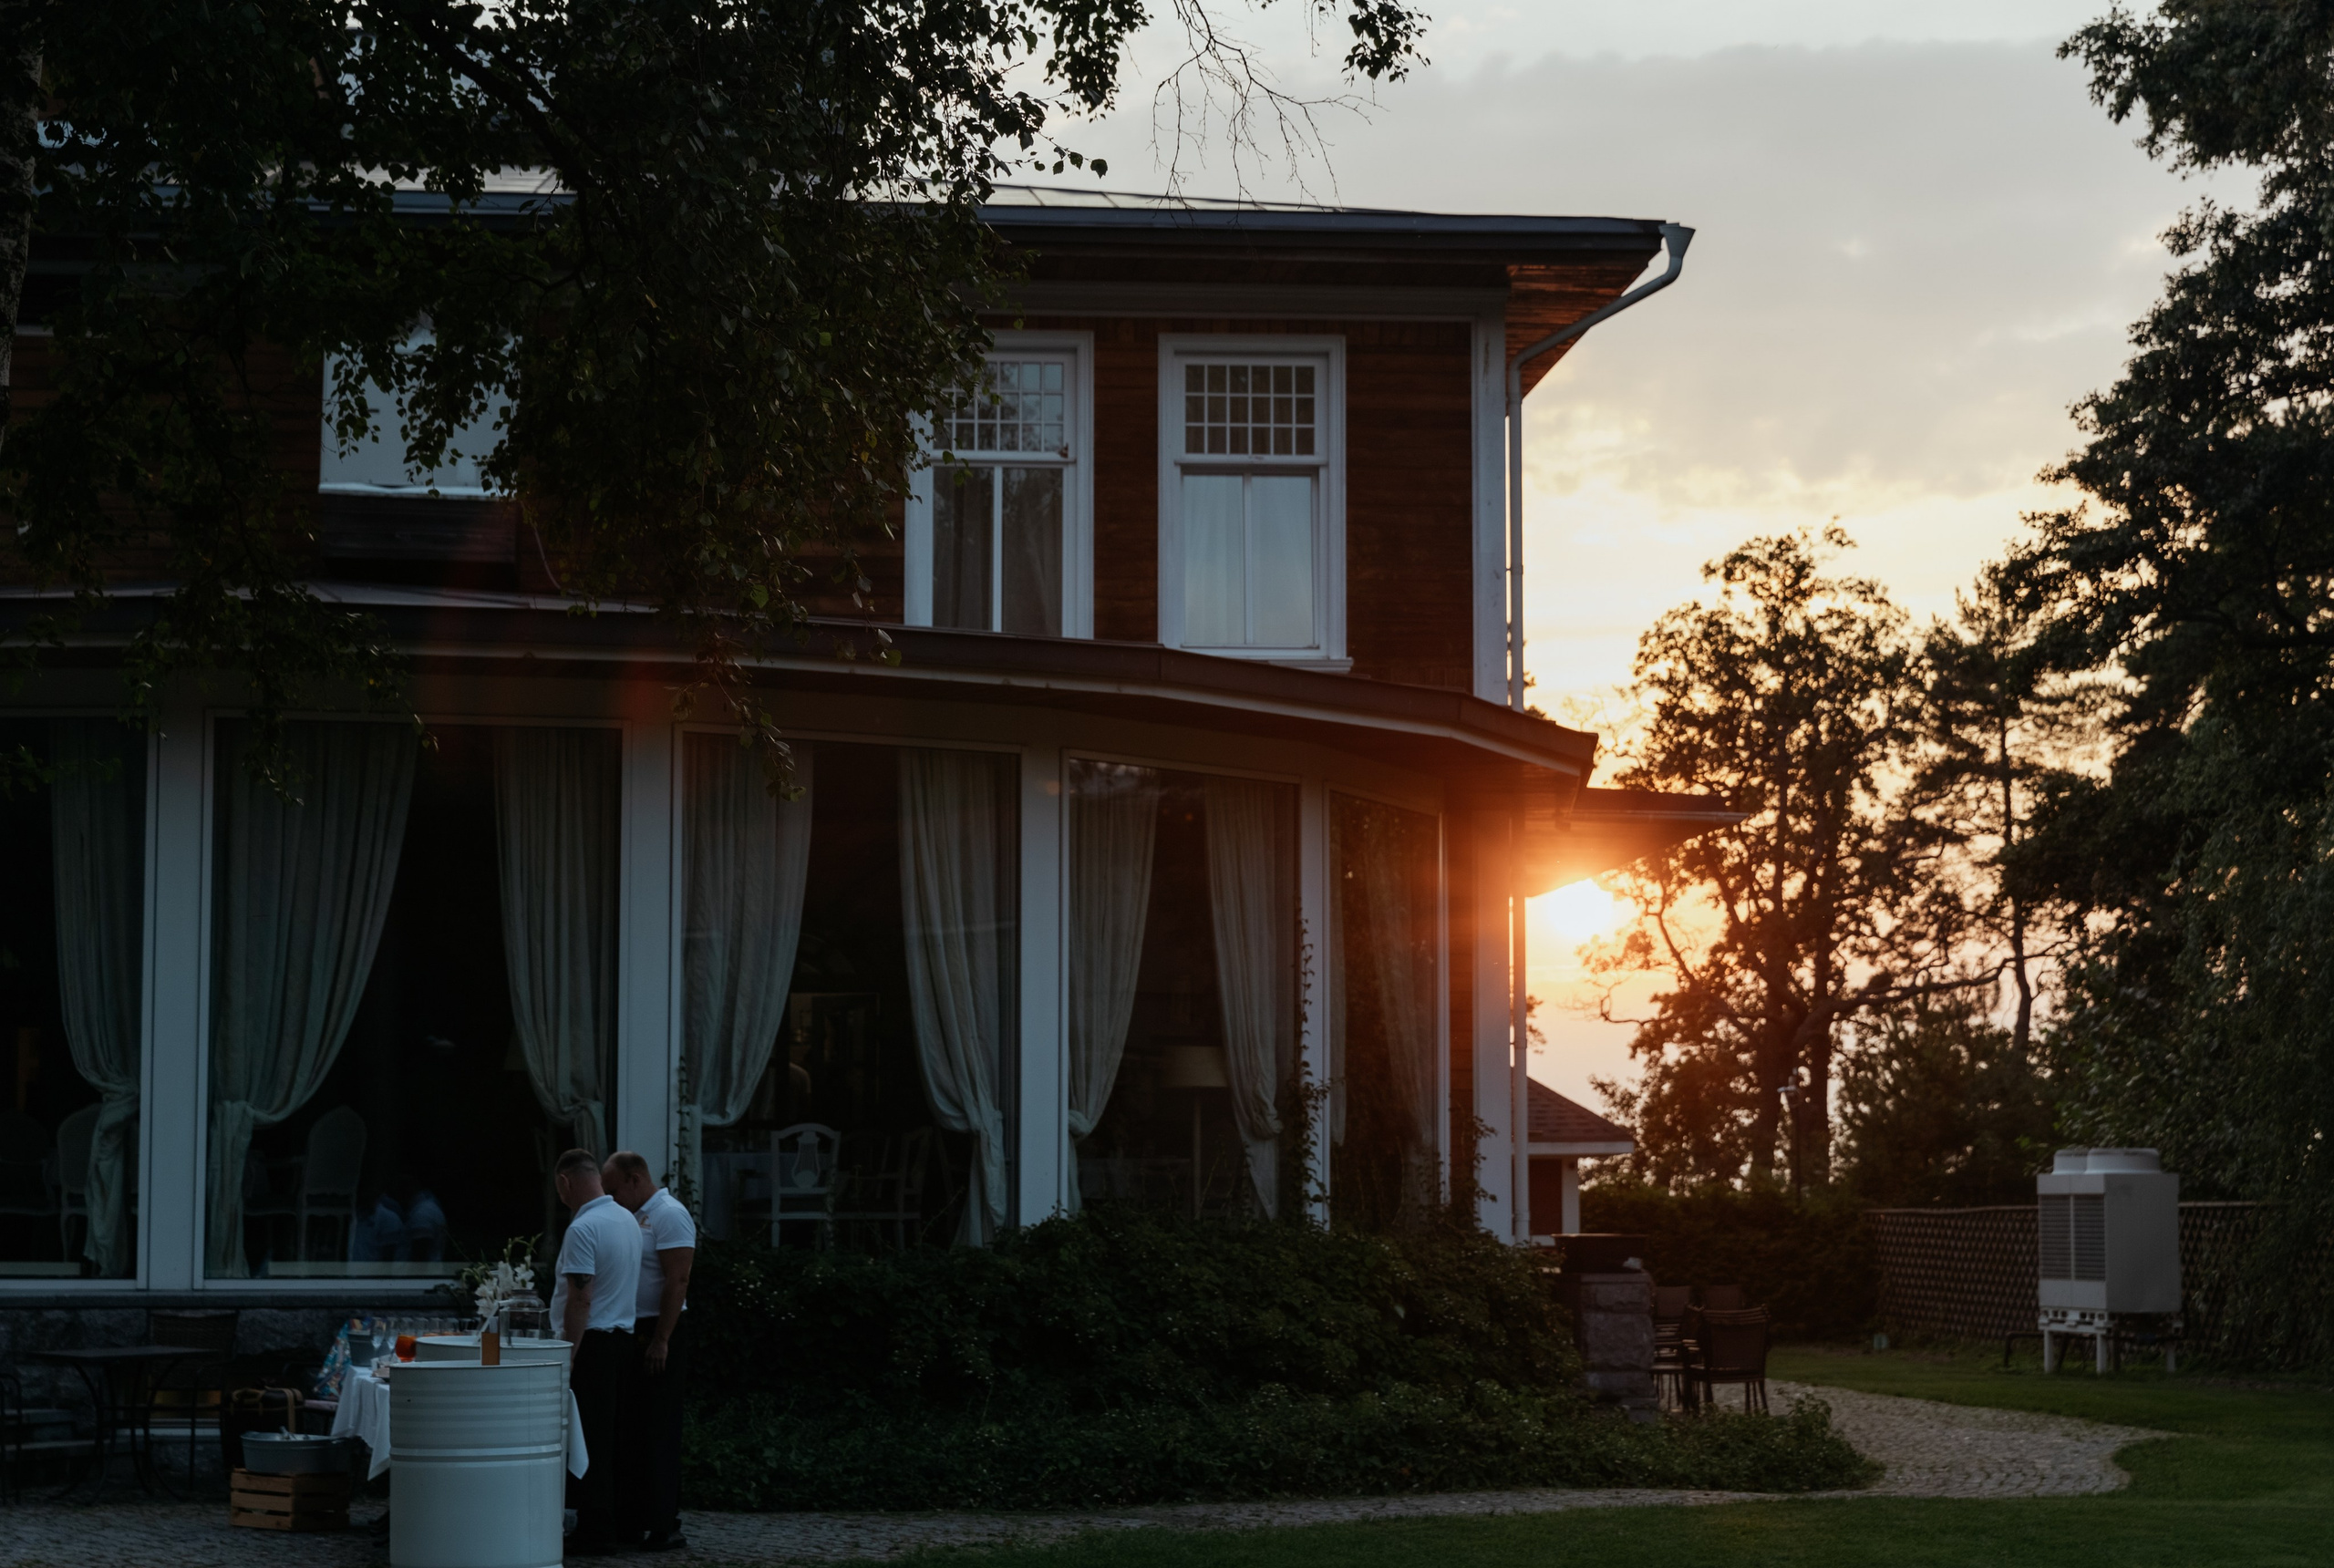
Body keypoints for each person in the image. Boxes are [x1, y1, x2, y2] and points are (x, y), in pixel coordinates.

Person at [548, 1147, 641, 1557]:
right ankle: (617, 1521)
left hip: (592, 1341)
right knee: (615, 1435)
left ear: (566, 1182)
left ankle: (595, 1528)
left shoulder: (583, 1229)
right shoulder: (627, 1219)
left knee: (589, 1438)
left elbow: (581, 1297)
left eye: (559, 1189)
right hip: (624, 1337)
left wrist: (568, 1352)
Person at [604, 1151, 695, 1552]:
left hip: (659, 1326)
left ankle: (663, 1521)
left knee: (658, 1425)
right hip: (633, 1325)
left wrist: (662, 1339)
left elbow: (678, 1280)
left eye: (614, 1189)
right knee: (633, 1426)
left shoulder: (669, 1214)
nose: (611, 1198)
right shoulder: (632, 1216)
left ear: (636, 1179)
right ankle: (633, 1516)